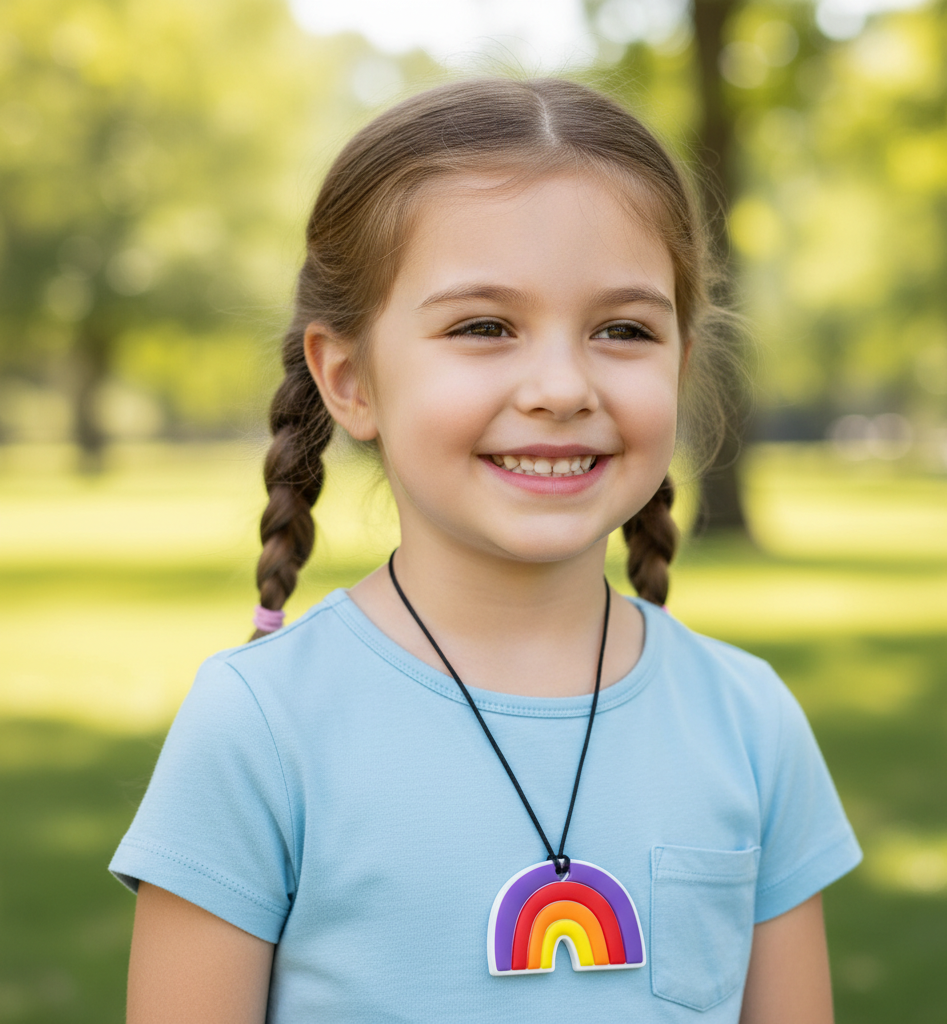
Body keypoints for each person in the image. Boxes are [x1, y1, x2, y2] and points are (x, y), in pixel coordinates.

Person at [111, 78, 861, 1023]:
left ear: (679, 361)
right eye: (483, 327)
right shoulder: (259, 729)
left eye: (623, 330)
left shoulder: (750, 724)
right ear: (349, 379)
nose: (561, 387)